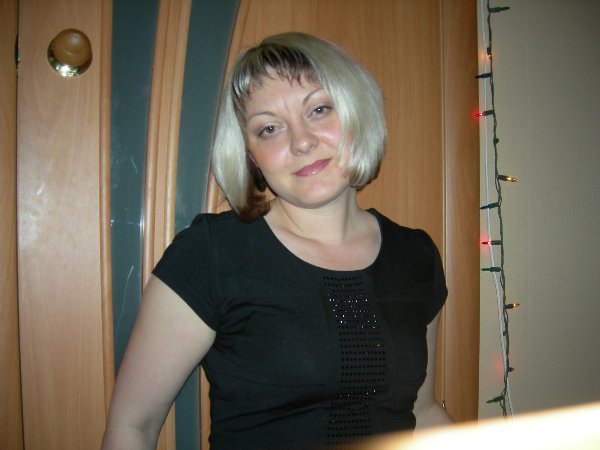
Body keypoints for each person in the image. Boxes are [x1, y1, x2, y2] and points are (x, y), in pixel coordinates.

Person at [102, 32, 447, 450]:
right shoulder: (213, 253)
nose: (302, 142)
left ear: (357, 112)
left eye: (319, 109)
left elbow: (421, 410)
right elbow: (132, 427)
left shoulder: (416, 256)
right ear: (251, 155)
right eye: (269, 128)